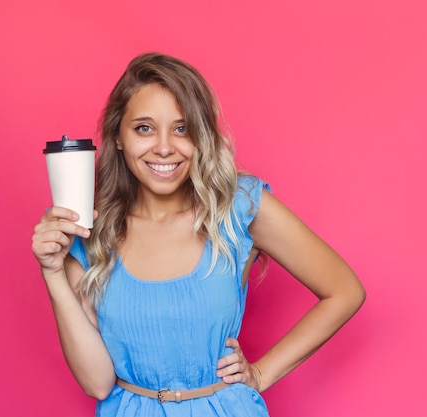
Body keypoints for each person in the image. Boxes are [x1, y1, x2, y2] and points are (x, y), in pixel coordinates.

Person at [31, 52, 366, 416]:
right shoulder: (88, 231)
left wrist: (262, 373)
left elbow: (344, 291)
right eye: (144, 128)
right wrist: (52, 272)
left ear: (201, 136)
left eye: (182, 128)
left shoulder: (239, 207)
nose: (163, 147)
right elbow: (97, 382)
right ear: (118, 137)